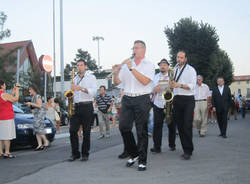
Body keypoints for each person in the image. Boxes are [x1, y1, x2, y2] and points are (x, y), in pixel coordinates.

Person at [113, 40, 155, 171]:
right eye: (133, 48)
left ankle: (142, 160)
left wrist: (131, 67)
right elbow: (117, 83)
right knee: (123, 127)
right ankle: (134, 153)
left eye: (136, 48)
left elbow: (144, 81)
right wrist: (116, 71)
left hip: (142, 98)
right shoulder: (126, 66)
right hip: (127, 98)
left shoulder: (149, 65)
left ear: (143, 50)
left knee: (141, 130)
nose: (134, 50)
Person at [68, 60, 97, 162]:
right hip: (76, 107)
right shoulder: (74, 79)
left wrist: (81, 88)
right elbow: (71, 93)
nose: (79, 67)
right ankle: (75, 153)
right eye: (78, 65)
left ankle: (85, 154)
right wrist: (70, 98)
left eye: (81, 65)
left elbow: (94, 93)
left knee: (86, 132)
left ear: (85, 66)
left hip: (87, 106)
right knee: (72, 131)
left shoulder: (91, 78)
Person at [171, 51, 197, 160]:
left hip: (188, 99)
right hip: (177, 99)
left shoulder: (191, 70)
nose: (179, 59)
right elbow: (172, 84)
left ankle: (188, 150)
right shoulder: (174, 70)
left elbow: (192, 86)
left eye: (181, 57)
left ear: (185, 59)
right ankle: (185, 148)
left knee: (187, 125)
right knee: (180, 126)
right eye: (178, 57)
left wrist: (179, 85)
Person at [150, 59, 176, 153]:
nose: (162, 66)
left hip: (169, 104)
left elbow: (176, 89)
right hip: (158, 104)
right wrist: (154, 89)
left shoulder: (172, 77)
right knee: (157, 126)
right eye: (161, 65)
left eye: (164, 64)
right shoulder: (155, 77)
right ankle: (157, 147)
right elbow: (150, 89)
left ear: (168, 67)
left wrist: (170, 87)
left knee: (171, 126)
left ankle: (172, 144)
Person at [26, 84, 50, 151]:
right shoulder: (33, 97)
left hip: (40, 115)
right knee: (36, 130)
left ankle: (46, 141)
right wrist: (30, 107)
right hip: (36, 114)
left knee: (39, 128)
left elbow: (39, 106)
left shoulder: (38, 96)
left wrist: (31, 104)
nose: (29, 91)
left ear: (33, 90)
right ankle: (39, 145)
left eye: (30, 89)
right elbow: (34, 108)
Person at [0, 80, 19, 158]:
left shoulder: (3, 95)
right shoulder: (3, 94)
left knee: (1, 136)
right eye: (4, 85)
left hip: (1, 117)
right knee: (7, 136)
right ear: (1, 85)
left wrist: (13, 90)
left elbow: (9, 98)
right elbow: (15, 99)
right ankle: (7, 152)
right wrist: (17, 89)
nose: (5, 86)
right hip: (7, 118)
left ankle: (1, 152)